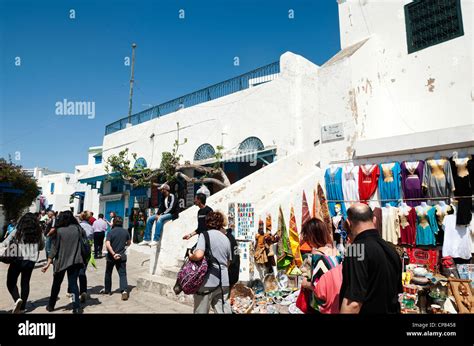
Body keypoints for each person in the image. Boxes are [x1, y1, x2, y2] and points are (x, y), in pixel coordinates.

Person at [339, 203, 402, 314]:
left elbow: (353, 303)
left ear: (349, 223)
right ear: (374, 220)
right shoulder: (391, 249)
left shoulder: (356, 249)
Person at [42, 210, 86, 314]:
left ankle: (51, 305)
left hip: (61, 262)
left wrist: (48, 263)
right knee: (74, 284)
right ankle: (76, 306)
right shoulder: (78, 229)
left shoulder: (59, 230)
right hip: (75, 261)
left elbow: (54, 248)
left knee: (56, 284)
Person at [188, 211, 232, 314]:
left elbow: (198, 255)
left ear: (207, 222)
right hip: (224, 282)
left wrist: (191, 256)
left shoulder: (205, 235)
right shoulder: (226, 239)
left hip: (208, 282)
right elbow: (228, 262)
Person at [297, 218, 343, 314]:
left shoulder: (318, 257)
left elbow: (318, 288)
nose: (307, 241)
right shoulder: (337, 253)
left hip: (322, 307)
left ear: (312, 236)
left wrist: (305, 284)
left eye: (307, 237)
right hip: (337, 302)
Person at [4, 213, 44, 313]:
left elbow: (6, 241)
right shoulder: (39, 232)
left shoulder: (18, 230)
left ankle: (17, 299)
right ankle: (22, 308)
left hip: (18, 259)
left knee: (11, 282)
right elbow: (42, 246)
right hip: (31, 261)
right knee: (25, 282)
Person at [101, 216, 131, 300]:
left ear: (113, 223)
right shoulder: (126, 232)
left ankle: (107, 290)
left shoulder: (111, 232)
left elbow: (107, 244)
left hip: (111, 257)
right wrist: (123, 247)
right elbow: (129, 243)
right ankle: (124, 291)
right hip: (122, 256)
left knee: (108, 273)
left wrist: (113, 253)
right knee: (122, 274)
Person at [78, 211, 94, 302]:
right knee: (82, 271)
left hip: (77, 251)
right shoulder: (91, 227)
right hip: (87, 251)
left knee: (73, 271)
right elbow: (91, 240)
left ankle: (71, 289)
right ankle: (83, 290)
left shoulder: (78, 226)